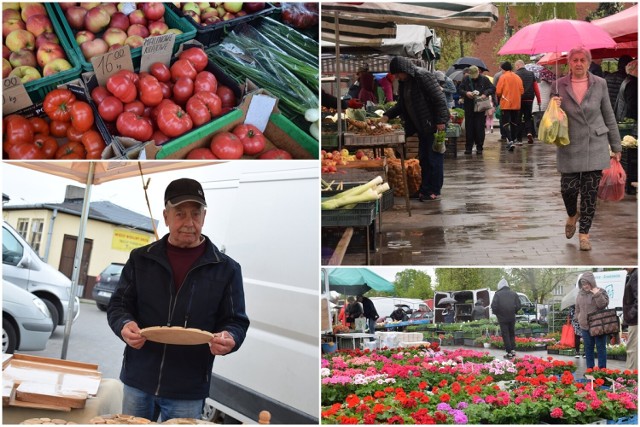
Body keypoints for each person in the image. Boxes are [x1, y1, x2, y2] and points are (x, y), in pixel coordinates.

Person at [107, 178, 250, 421]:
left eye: (195, 214)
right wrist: (124, 325)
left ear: (204, 217)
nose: (189, 223)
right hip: (138, 380)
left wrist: (230, 338)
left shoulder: (226, 269)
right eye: (180, 213)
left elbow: (236, 321)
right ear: (166, 215)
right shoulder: (141, 258)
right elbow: (119, 305)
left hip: (188, 388)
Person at [555, 47, 622, 252]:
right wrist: (553, 106)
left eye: (582, 60)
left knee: (589, 193)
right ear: (569, 63)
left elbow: (609, 115)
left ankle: (584, 235)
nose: (578, 64)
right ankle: (572, 214)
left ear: (588, 62)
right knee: (568, 188)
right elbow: (550, 119)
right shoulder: (559, 86)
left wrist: (616, 145)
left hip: (596, 142)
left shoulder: (599, 84)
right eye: (574, 60)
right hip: (569, 143)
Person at [381, 56, 450, 202]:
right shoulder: (405, 82)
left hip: (434, 126)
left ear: (404, 69)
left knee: (434, 159)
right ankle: (424, 189)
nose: (397, 77)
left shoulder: (422, 76)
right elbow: (401, 105)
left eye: (398, 73)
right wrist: (387, 115)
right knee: (424, 159)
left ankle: (434, 191)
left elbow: (439, 99)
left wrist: (441, 121)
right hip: (422, 127)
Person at [574, 272, 609, 369]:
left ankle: (602, 371)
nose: (585, 286)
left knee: (601, 349)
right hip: (585, 327)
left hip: (598, 326)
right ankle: (590, 370)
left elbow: (602, 305)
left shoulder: (600, 291)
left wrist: (597, 294)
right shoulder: (580, 294)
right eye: (583, 284)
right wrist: (578, 318)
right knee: (588, 350)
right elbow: (577, 308)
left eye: (587, 283)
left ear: (592, 282)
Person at [457, 65, 495, 155]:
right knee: (469, 127)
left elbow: (492, 88)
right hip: (469, 107)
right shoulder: (466, 79)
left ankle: (479, 147)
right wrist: (466, 93)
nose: (474, 77)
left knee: (479, 128)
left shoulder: (484, 79)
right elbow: (460, 89)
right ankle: (469, 147)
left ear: (478, 72)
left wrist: (485, 94)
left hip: (480, 107)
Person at [495, 61, 524, 151]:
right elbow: (522, 91)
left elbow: (498, 91)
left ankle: (510, 140)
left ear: (503, 69)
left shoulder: (503, 77)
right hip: (516, 103)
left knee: (505, 123)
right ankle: (514, 139)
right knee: (514, 123)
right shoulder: (518, 77)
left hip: (506, 103)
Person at [491, 278, 522, 359]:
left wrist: (497, 313)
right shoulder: (513, 293)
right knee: (512, 333)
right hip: (512, 317)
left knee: (505, 334)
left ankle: (509, 352)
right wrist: (514, 311)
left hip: (502, 317)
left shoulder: (497, 294)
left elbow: (493, 306)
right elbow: (519, 305)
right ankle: (513, 350)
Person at [514, 60, 541, 144]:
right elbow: (536, 88)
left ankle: (519, 139)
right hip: (529, 99)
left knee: (518, 118)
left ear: (518, 66)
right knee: (528, 117)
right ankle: (529, 133)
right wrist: (539, 100)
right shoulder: (531, 74)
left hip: (519, 99)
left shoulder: (515, 75)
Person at [622, 268, 637, 371]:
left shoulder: (636, 275)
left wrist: (630, 314)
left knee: (633, 350)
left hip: (635, 320)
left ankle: (632, 378)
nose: (623, 267)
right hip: (634, 320)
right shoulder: (632, 275)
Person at [493, 66, 508, 141]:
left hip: (501, 99)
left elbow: (495, 89)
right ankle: (511, 136)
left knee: (502, 118)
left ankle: (503, 136)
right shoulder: (515, 75)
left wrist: (495, 102)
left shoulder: (497, 75)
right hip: (511, 99)